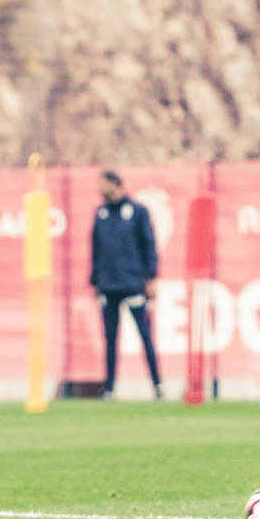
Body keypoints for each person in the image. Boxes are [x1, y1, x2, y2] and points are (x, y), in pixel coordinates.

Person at [89, 170, 163, 400]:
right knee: (110, 340)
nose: (101, 190)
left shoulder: (138, 212)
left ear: (116, 185)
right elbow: (96, 250)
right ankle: (110, 388)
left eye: (104, 185)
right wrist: (95, 280)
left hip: (132, 284)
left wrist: (150, 278)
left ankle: (157, 385)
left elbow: (149, 246)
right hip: (108, 286)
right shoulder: (101, 214)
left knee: (145, 336)